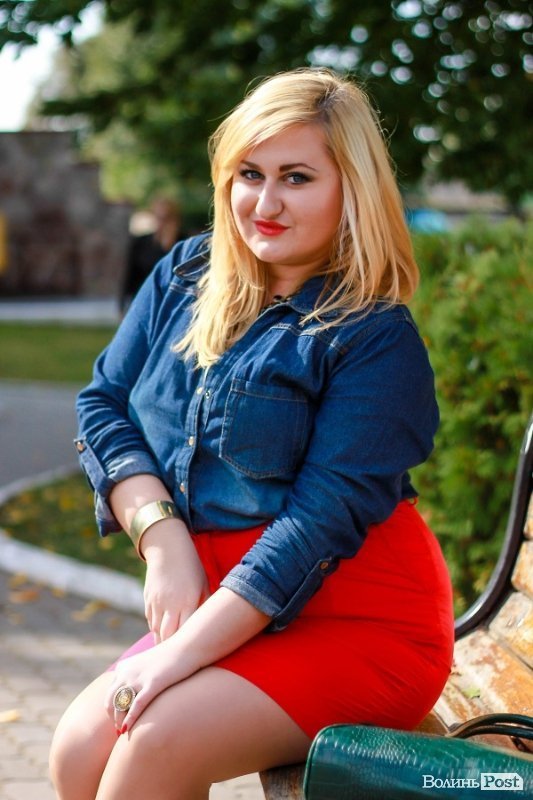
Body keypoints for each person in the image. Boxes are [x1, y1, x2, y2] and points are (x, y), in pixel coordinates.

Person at [49, 68, 454, 800]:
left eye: (296, 178)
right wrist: (162, 537)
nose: (264, 204)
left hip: (358, 621)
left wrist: (173, 660)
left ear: (351, 190)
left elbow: (314, 527)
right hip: (219, 603)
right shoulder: (186, 275)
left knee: (155, 742)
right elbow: (104, 405)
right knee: (77, 753)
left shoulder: (374, 338)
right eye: (249, 174)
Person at [119, 196, 182, 312]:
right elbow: (130, 274)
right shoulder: (141, 243)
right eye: (158, 217)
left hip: (173, 303)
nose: (161, 223)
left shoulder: (182, 244)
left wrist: (167, 247)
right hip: (145, 300)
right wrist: (122, 305)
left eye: (165, 218)